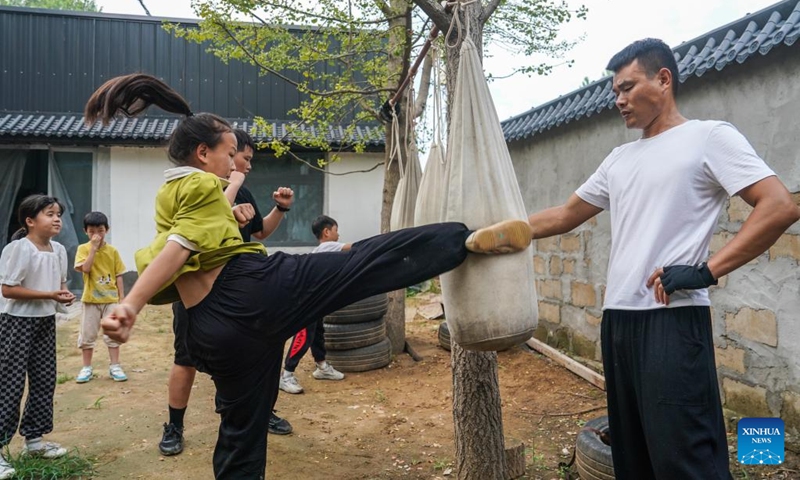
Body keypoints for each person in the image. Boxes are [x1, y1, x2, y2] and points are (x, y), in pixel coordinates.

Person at [84, 73, 532, 479]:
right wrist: (130, 304)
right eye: (229, 154)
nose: (236, 163)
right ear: (203, 153)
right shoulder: (203, 184)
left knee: (242, 432)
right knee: (361, 263)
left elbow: (173, 246)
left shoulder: (170, 190)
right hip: (250, 292)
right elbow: (180, 246)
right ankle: (462, 240)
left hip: (210, 328)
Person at [526, 38, 800, 479]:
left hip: (671, 321)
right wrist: (501, 231)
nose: (619, 100)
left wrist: (706, 270)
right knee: (633, 458)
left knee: (684, 460)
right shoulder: (619, 159)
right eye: (615, 92)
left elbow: (779, 205)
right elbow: (564, 214)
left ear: (664, 80)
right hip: (618, 322)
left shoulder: (709, 137)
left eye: (628, 87)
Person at [159, 129, 293, 457]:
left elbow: (257, 232)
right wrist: (231, 185)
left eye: (245, 159)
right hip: (196, 291)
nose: (245, 165)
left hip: (237, 289)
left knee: (253, 353)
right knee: (186, 358)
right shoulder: (195, 187)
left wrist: (280, 209)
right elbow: (207, 221)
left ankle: (259, 411)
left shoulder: (240, 188)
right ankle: (174, 425)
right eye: (242, 158)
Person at [0, 195, 77, 480]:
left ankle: (34, 441)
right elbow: (8, 289)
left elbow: (60, 285)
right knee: (10, 383)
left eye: (58, 213)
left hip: (44, 322)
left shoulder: (58, 250)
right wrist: (49, 294)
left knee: (44, 380)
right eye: (49, 213)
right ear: (30, 221)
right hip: (16, 323)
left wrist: (64, 297)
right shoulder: (19, 248)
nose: (57, 218)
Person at [279, 215, 349, 394]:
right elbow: (354, 249)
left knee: (318, 333)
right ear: (327, 232)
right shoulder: (327, 246)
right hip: (307, 300)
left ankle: (322, 366)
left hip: (315, 299)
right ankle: (286, 375)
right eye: (336, 230)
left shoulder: (320, 250)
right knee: (304, 335)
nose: (338, 235)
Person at [74, 211, 127, 384]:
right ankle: (86, 367)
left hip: (110, 299)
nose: (96, 234)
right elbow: (86, 268)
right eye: (92, 231)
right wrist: (93, 249)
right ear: (85, 231)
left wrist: (122, 299)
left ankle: (115, 366)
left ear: (107, 230)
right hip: (90, 300)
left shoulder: (112, 251)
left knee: (112, 333)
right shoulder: (83, 249)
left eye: (100, 230)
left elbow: (118, 275)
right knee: (88, 335)